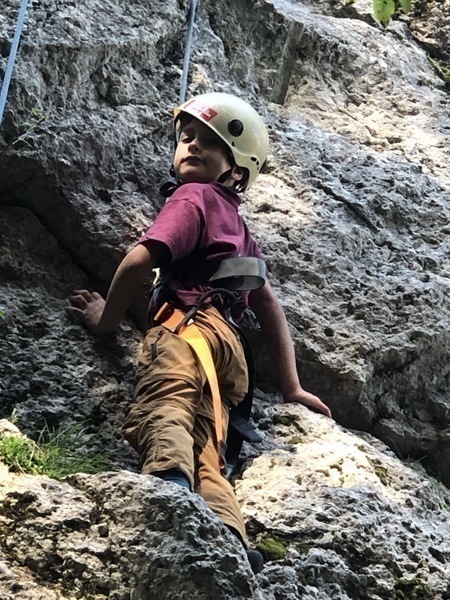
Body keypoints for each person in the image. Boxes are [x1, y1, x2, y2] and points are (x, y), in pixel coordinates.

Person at [67, 92, 331, 574]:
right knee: (207, 442)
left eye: (209, 142)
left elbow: (139, 261)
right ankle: (228, 534)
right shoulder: (240, 229)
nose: (191, 145)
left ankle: (170, 484)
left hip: (186, 331)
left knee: (167, 402)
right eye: (186, 137)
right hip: (229, 352)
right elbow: (268, 304)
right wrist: (291, 386)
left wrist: (105, 319)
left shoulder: (192, 197)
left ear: (236, 169)